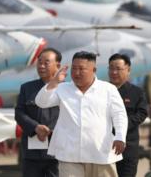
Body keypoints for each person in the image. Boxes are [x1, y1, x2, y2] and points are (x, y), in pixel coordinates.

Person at [35, 51, 128, 177]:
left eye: (81, 69)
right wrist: (54, 82)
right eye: (74, 68)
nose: (76, 73)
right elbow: (41, 102)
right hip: (70, 154)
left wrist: (120, 137)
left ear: (93, 69)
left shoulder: (108, 89)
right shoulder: (63, 88)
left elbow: (119, 115)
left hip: (100, 153)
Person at [15, 48, 62, 177]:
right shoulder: (27, 88)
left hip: (58, 152)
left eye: (46, 63)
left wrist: (50, 130)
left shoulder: (66, 89)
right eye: (39, 62)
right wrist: (35, 127)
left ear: (57, 65)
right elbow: (19, 113)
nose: (41, 66)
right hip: (32, 153)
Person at [108, 53, 148, 177]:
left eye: (118, 69)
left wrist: (121, 125)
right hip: (104, 149)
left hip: (128, 148)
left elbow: (141, 113)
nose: (114, 72)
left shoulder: (137, 92)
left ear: (128, 70)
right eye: (111, 68)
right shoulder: (102, 90)